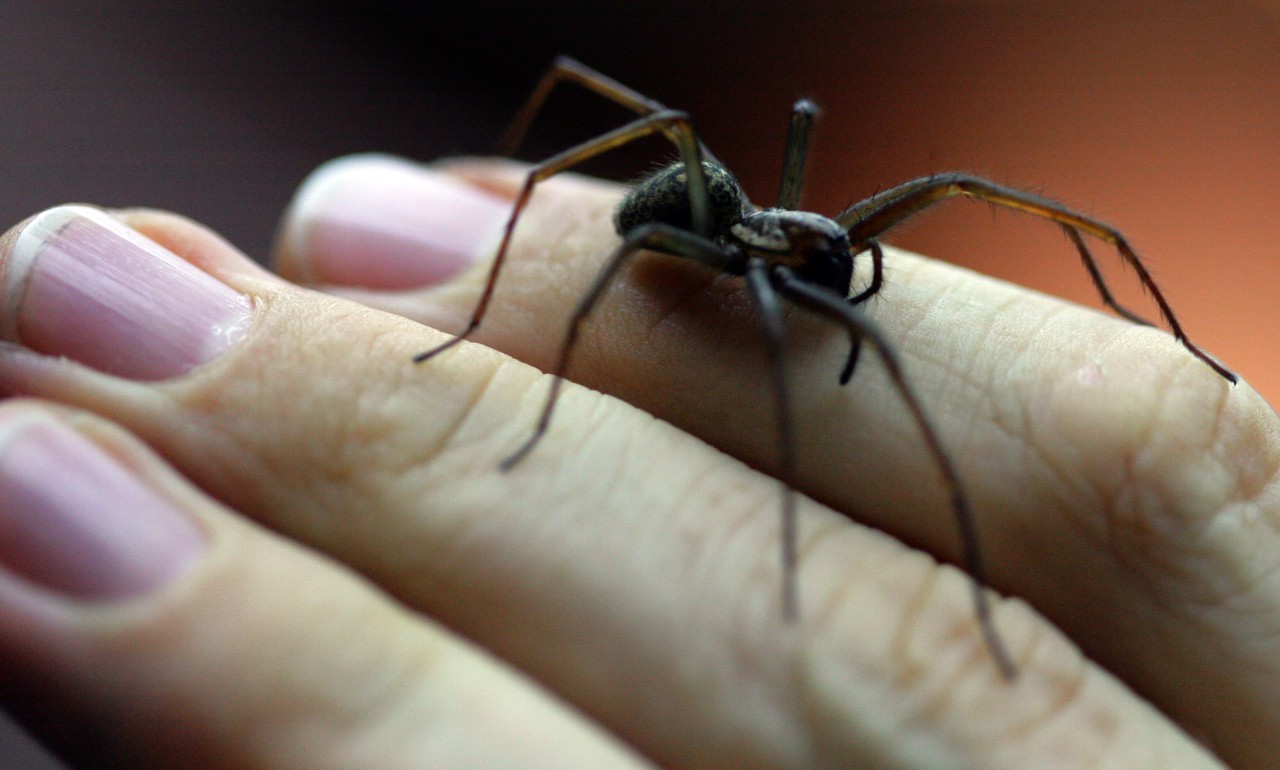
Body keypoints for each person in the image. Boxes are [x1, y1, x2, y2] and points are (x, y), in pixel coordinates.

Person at [0, 153, 1271, 768]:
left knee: (958, 185)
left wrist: (1181, 365)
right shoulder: (740, 262)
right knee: (822, 331)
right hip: (672, 228)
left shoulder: (813, 246)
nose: (841, 264)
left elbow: (1011, 205)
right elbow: (620, 238)